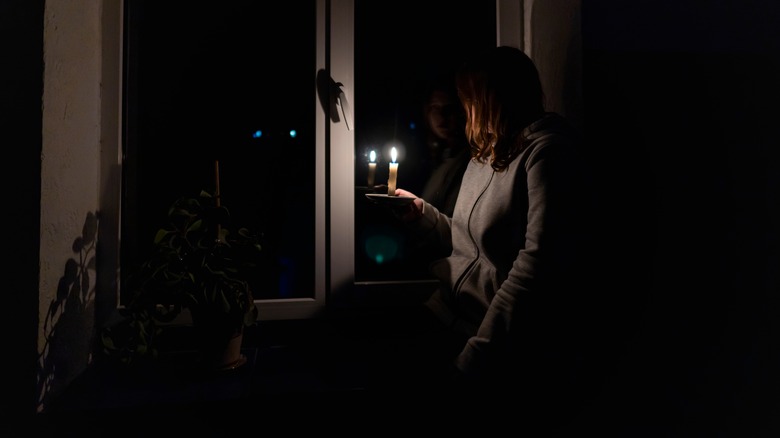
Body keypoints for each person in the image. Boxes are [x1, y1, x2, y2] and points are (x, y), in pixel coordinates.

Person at [372, 46, 601, 422]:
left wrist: (476, 357)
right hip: (446, 319)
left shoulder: (548, 155)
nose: (463, 111)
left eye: (468, 100)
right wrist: (423, 215)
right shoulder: (488, 154)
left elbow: (535, 273)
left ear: (492, 100)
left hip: (497, 346)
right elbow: (469, 244)